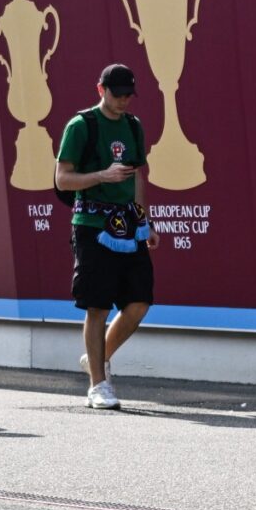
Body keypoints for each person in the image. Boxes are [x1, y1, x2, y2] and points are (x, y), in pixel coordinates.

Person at [55, 64, 159, 410]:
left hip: (128, 225)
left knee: (139, 302)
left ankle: (96, 359)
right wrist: (102, 175)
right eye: (118, 94)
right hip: (92, 224)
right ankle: (98, 385)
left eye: (129, 95)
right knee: (97, 305)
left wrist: (146, 222)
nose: (124, 101)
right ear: (101, 90)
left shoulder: (133, 125)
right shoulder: (81, 125)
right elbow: (62, 179)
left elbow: (137, 177)